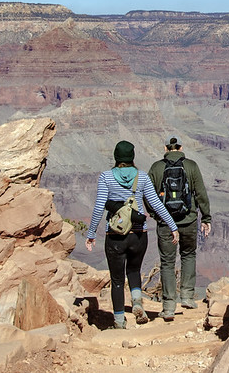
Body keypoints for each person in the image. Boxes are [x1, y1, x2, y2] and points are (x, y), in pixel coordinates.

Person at [86, 140, 179, 329]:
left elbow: (98, 207)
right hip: (138, 234)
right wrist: (173, 226)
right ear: (132, 157)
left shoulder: (106, 177)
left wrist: (91, 233)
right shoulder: (142, 177)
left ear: (116, 156)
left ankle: (119, 321)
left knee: (117, 279)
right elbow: (156, 204)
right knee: (134, 270)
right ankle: (137, 301)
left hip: (115, 235)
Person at [148, 135, 212, 322]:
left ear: (166, 149)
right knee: (188, 254)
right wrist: (206, 217)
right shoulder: (191, 166)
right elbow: (200, 193)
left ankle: (168, 306)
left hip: (166, 223)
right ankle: (187, 297)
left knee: (167, 262)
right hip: (189, 219)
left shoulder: (157, 167)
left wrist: (155, 214)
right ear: (181, 148)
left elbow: (148, 194)